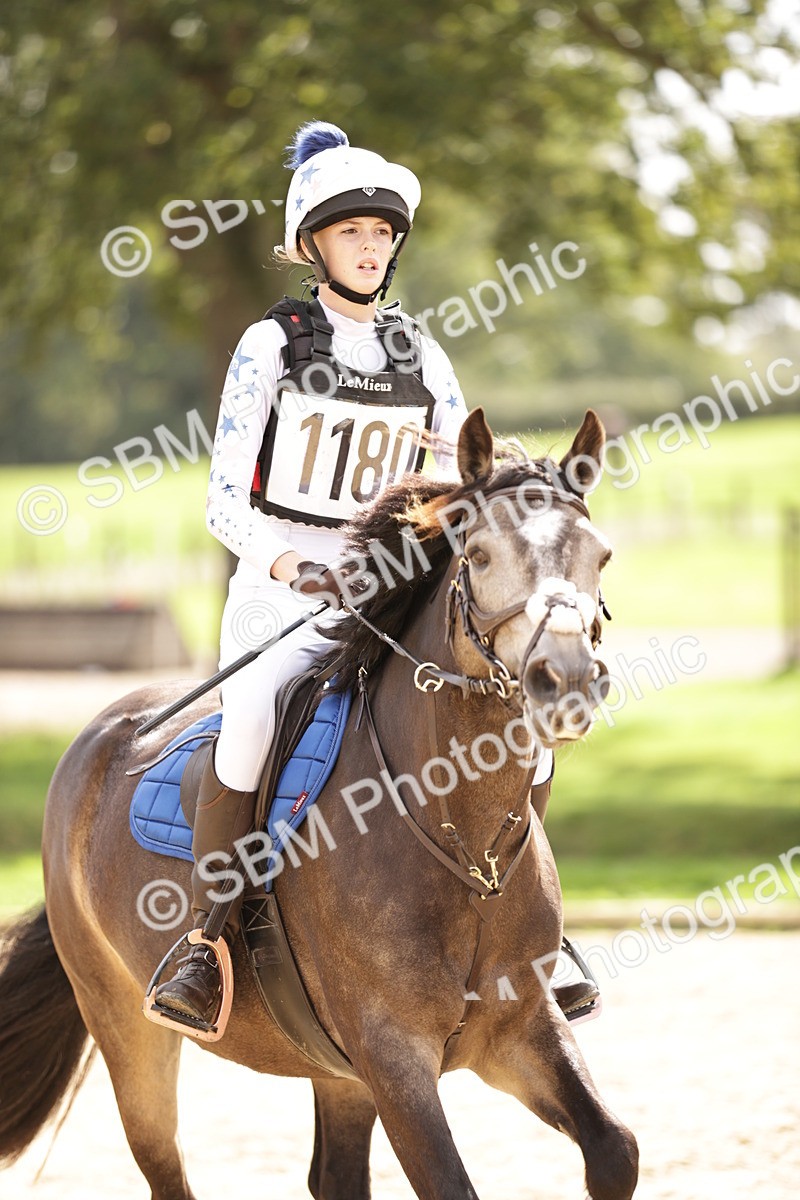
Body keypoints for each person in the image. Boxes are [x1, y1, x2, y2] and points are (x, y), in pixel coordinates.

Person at [152, 120, 474, 1025]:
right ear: (313, 245)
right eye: (349, 232)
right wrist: (294, 564)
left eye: (381, 234)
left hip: (390, 585)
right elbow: (222, 500)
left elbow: (457, 469)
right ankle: (206, 944)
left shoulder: (424, 353)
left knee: (491, 702)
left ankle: (529, 925)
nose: (369, 248)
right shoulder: (270, 344)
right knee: (252, 717)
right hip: (278, 583)